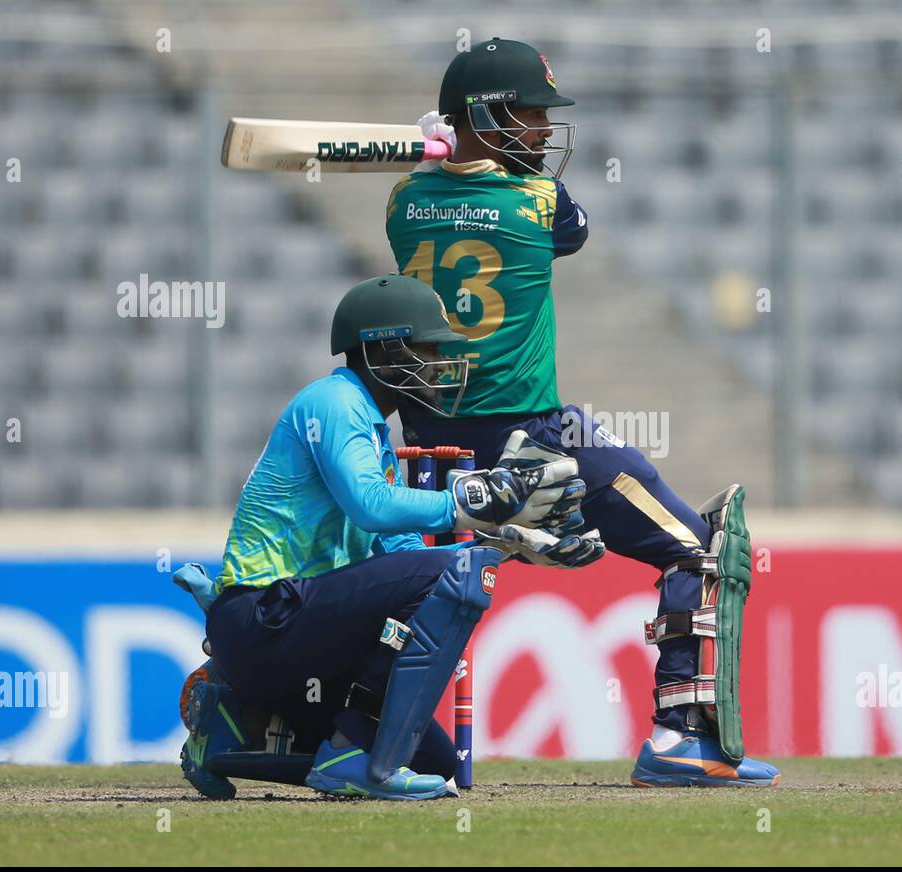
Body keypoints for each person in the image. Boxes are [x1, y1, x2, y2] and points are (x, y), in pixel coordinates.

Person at [385, 38, 779, 787]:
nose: (542, 130)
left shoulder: (403, 202)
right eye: (529, 113)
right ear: (485, 114)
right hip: (533, 440)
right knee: (696, 548)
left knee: (414, 590)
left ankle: (356, 734)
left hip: (430, 453)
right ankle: (678, 741)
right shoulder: (541, 205)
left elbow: (439, 201)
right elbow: (574, 230)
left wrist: (438, 163)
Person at [178, 274, 603, 800]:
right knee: (444, 584)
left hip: (293, 635)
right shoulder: (334, 402)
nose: (441, 364)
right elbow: (370, 507)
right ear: (383, 350)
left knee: (437, 761)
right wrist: (468, 505)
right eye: (427, 347)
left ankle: (230, 729)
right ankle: (348, 752)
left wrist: (507, 546)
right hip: (263, 616)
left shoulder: (375, 431)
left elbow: (402, 555)